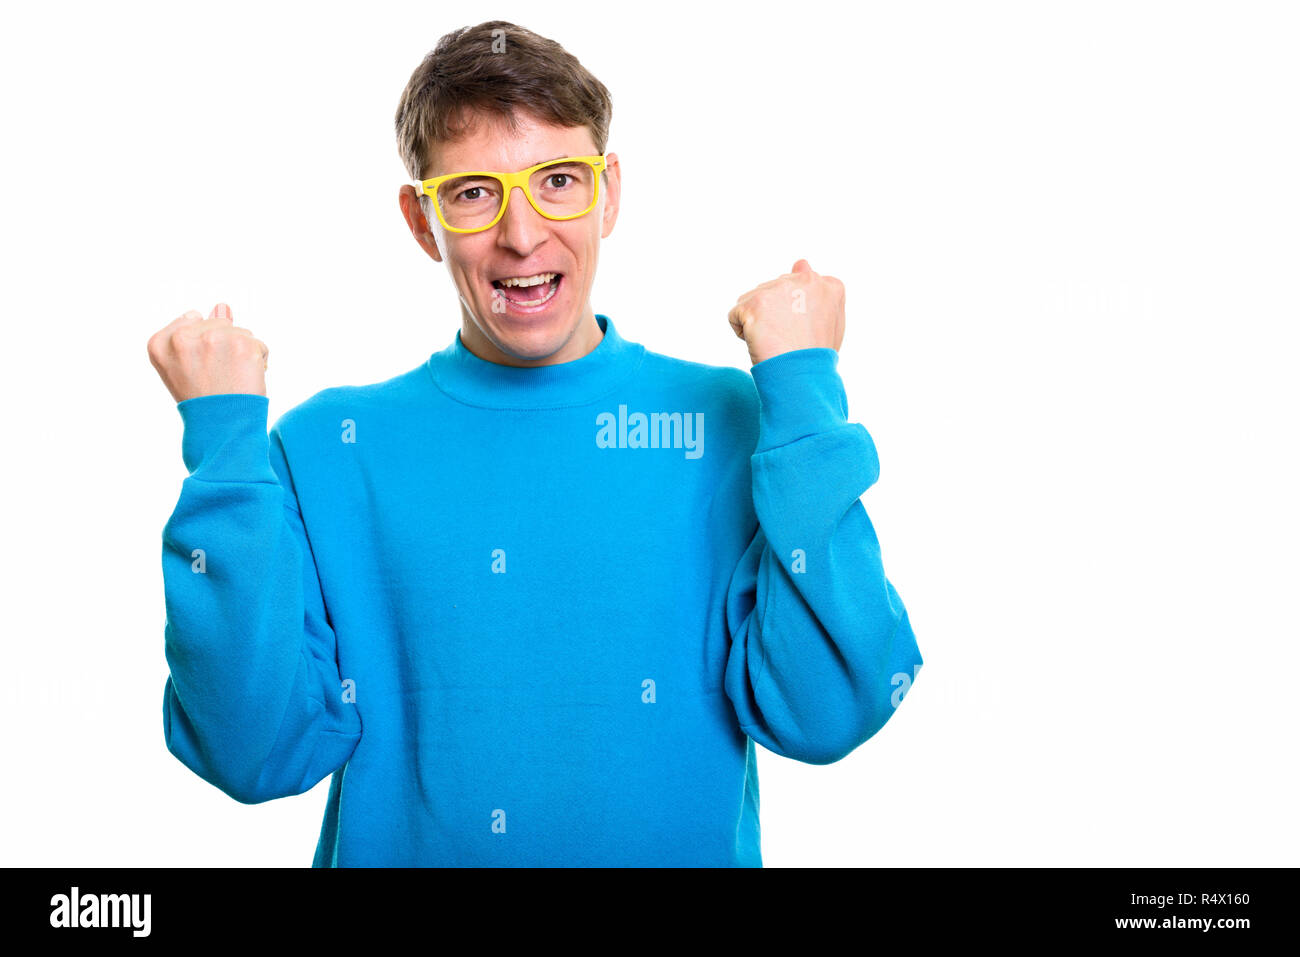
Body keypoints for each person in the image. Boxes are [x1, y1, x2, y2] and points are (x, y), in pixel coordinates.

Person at [146, 19, 923, 867]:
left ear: (610, 191)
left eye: (559, 180)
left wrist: (804, 393)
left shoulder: (728, 422)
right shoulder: (331, 446)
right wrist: (224, 447)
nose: (522, 235)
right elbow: (250, 751)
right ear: (421, 218)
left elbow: (830, 712)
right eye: (475, 191)